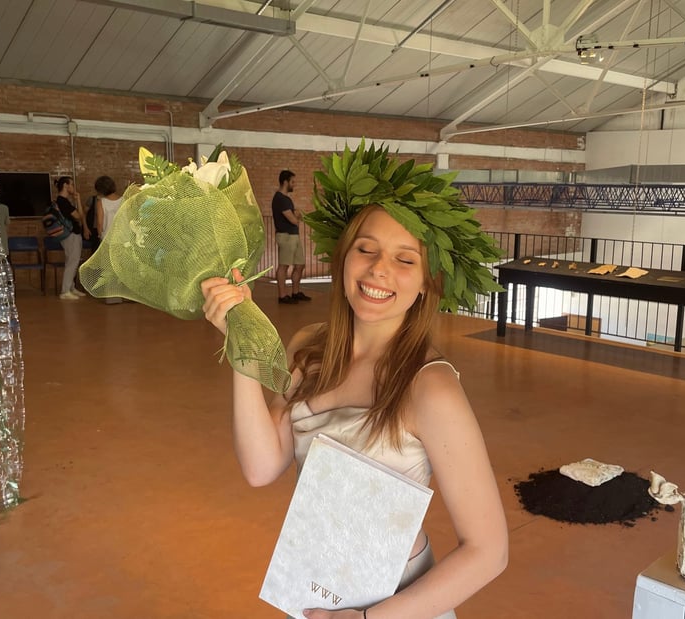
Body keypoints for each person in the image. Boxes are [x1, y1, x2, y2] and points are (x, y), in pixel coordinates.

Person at [201, 146, 508, 619]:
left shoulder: (430, 387)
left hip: (396, 607)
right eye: (366, 249)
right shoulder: (310, 349)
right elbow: (261, 467)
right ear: (343, 257)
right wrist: (240, 342)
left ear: (426, 283)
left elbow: (489, 551)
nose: (379, 269)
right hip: (316, 588)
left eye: (405, 260)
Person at [272, 170, 310, 304]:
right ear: (285, 182)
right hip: (286, 236)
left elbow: (295, 216)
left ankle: (295, 292)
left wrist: (297, 215)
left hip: (293, 236)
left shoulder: (286, 199)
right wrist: (297, 215)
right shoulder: (280, 199)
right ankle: (282, 296)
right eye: (292, 182)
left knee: (300, 265)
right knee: (284, 266)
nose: (294, 184)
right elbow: (293, 220)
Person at [54, 176, 88, 300]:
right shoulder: (63, 202)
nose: (73, 187)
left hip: (70, 234)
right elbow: (79, 216)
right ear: (65, 186)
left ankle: (71, 287)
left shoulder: (62, 201)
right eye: (72, 184)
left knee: (72, 261)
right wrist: (78, 200)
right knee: (72, 262)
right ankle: (65, 291)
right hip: (70, 234)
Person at [94, 175, 124, 304]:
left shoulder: (101, 202)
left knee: (108, 268)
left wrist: (99, 234)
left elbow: (100, 223)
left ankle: (112, 297)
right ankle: (124, 295)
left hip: (108, 238)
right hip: (123, 238)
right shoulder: (124, 200)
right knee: (121, 268)